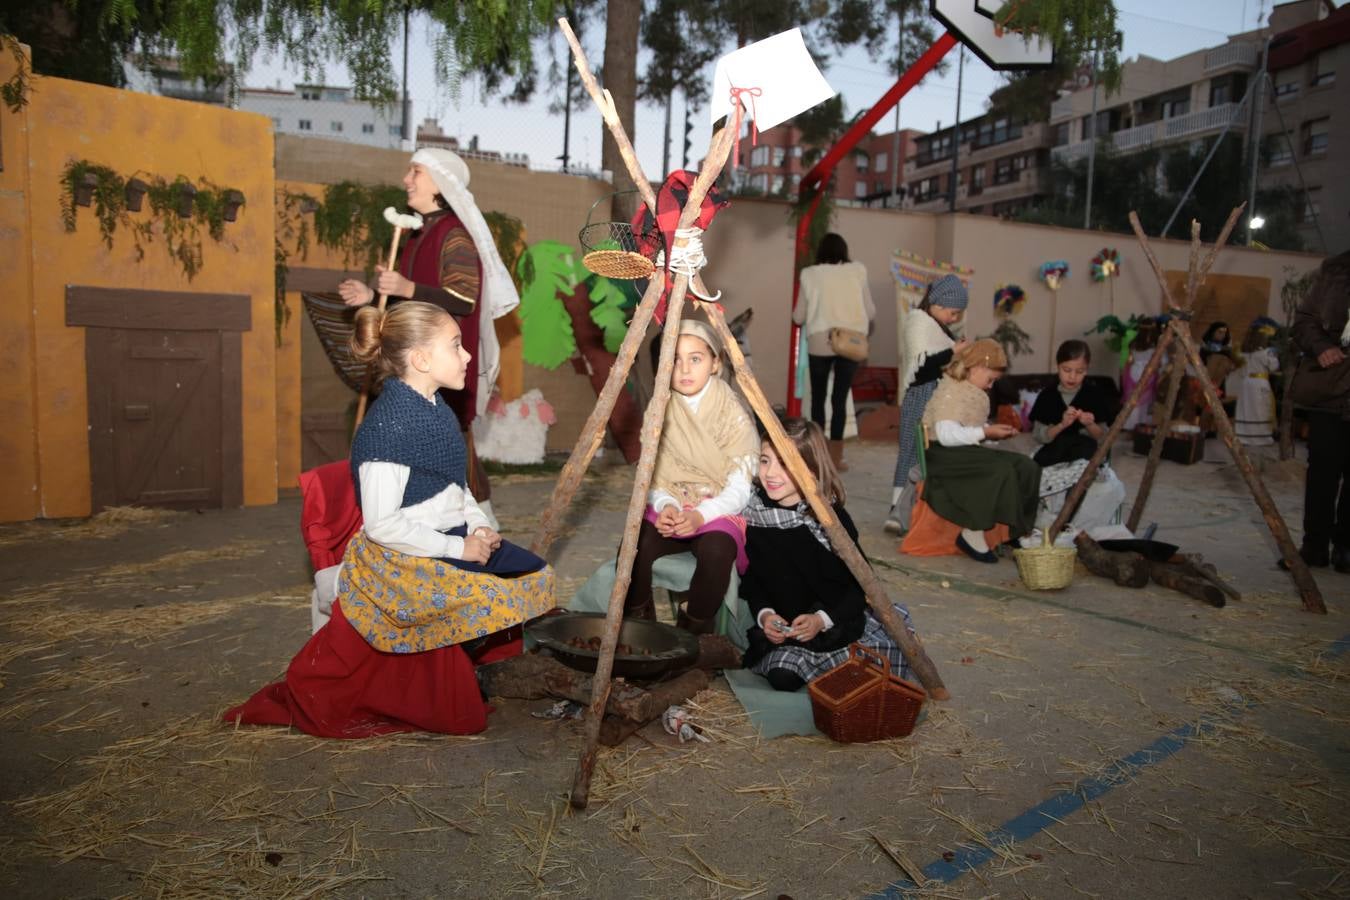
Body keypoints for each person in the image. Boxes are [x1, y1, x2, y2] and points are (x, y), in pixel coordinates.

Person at [224, 302, 556, 737]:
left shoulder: (435, 407)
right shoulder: (388, 430)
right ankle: (450, 670)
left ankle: (473, 657)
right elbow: (383, 526)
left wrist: (477, 525)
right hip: (404, 551)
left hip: (452, 534)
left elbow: (457, 485)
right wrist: (459, 547)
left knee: (536, 576)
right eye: (456, 346)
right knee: (493, 595)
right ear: (420, 359)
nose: (468, 356)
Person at [338, 147, 518, 518]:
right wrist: (372, 295)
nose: (406, 179)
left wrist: (405, 288)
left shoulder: (455, 236)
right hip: (416, 359)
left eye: (415, 171)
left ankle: (479, 522)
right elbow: (414, 300)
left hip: (441, 358)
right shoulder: (420, 235)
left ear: (440, 181)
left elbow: (465, 299)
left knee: (454, 443)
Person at [740, 419, 917, 692]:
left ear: (811, 469)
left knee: (859, 675)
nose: (771, 473)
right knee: (782, 678)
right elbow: (754, 580)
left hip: (833, 620)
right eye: (765, 461)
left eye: (785, 463)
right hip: (788, 627)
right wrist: (765, 616)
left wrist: (821, 619)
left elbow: (860, 588)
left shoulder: (829, 520)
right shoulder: (754, 514)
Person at [625, 320, 759, 634]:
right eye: (674, 360)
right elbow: (653, 475)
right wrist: (667, 504)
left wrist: (701, 515)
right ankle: (639, 625)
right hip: (672, 500)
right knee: (635, 544)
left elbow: (740, 486)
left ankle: (693, 629)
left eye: (695, 358)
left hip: (717, 507)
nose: (684, 369)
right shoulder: (660, 410)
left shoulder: (733, 413)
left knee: (717, 551)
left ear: (715, 363)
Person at [921, 339, 1040, 563]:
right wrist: (985, 433)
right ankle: (972, 533)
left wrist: (990, 431)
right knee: (1000, 470)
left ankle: (1016, 531)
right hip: (942, 455)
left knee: (1026, 466)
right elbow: (946, 435)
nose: (990, 386)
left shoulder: (970, 390)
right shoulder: (952, 391)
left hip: (961, 450)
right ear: (977, 367)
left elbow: (965, 428)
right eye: (990, 379)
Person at [886, 274, 970, 534]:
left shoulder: (939, 328)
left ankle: (918, 511)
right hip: (920, 395)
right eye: (953, 313)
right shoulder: (918, 322)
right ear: (938, 303)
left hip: (937, 397)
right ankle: (896, 510)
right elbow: (922, 368)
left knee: (929, 454)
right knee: (910, 451)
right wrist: (954, 352)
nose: (954, 319)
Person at [793, 233, 875, 471]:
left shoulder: (809, 274)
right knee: (839, 399)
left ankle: (817, 457)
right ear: (844, 250)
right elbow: (869, 312)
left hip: (820, 341)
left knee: (818, 400)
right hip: (850, 341)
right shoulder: (857, 271)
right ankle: (837, 459)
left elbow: (798, 316)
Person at [1289, 250, 1350, 572]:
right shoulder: (1335, 271)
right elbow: (1304, 321)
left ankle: (1346, 547)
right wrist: (1321, 347)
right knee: (1322, 470)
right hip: (1330, 389)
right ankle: (1314, 546)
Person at [1029, 340, 1126, 537]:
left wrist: (1090, 424)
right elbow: (1040, 436)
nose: (1072, 376)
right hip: (1055, 452)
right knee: (1033, 472)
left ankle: (1070, 521)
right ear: (1057, 367)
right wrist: (1061, 425)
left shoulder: (1094, 394)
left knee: (1087, 461)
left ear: (1087, 370)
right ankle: (1049, 520)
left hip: (1084, 452)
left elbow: (1104, 439)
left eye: (1079, 371)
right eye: (1067, 370)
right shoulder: (1047, 396)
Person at [1231, 320, 1280, 447]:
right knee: (1260, 409)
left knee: (1246, 408)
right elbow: (1274, 367)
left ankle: (1244, 436)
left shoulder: (1243, 351)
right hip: (1260, 383)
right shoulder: (1267, 352)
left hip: (1246, 383)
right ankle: (1260, 438)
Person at [1121, 319, 1162, 432]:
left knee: (1133, 401)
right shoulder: (1155, 345)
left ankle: (1130, 426)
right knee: (1145, 402)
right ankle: (1143, 426)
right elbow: (1157, 363)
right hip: (1148, 372)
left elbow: (1129, 360)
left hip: (1134, 371)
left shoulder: (1134, 343)